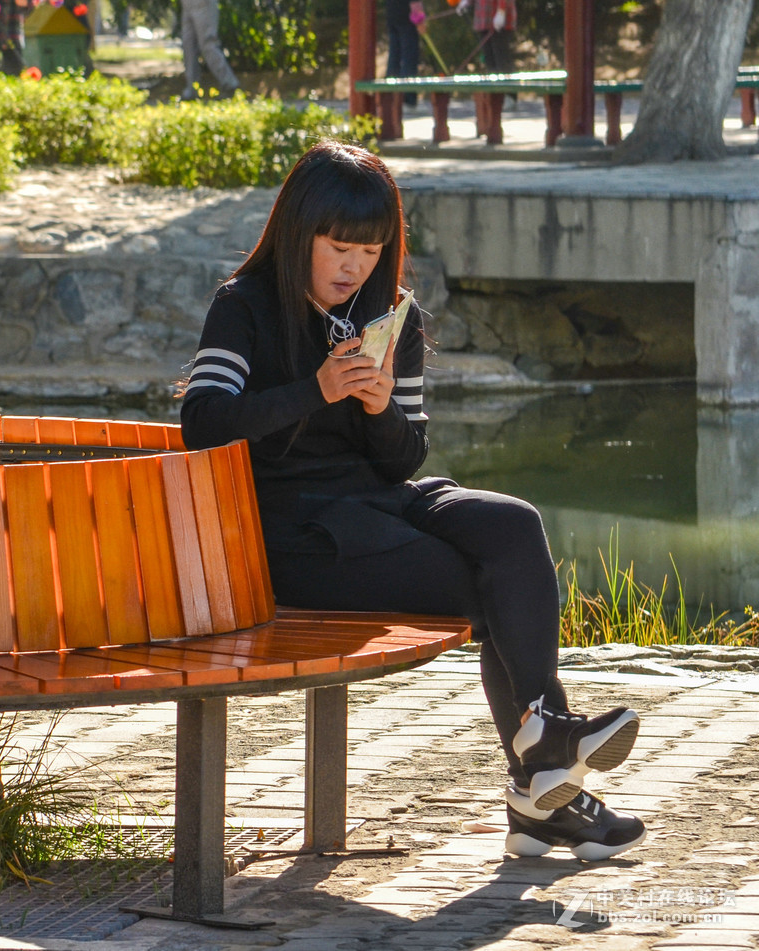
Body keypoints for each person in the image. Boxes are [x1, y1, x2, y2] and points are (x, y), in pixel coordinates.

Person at [180, 141, 646, 861]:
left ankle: (545, 755)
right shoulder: (245, 305)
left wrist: (378, 408)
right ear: (298, 233)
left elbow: (404, 458)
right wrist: (316, 390)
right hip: (296, 538)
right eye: (339, 248)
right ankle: (542, 778)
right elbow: (203, 423)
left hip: (382, 504)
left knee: (512, 526)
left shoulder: (390, 313)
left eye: (370, 252)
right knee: (488, 588)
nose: (354, 268)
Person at [179, 0, 240, 101]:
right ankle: (192, 90)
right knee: (188, 46)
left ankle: (229, 84)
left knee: (208, 44)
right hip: (187, 4)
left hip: (203, 4)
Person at [385, 0, 424, 109]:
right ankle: (408, 97)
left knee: (394, 56)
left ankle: (390, 98)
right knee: (409, 58)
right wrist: (420, 20)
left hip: (392, 14)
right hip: (407, 17)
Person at [470, 0, 515, 74]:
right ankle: (493, 77)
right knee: (489, 57)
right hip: (483, 20)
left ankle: (506, 78)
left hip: (499, 21)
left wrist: (501, 11)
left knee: (501, 58)